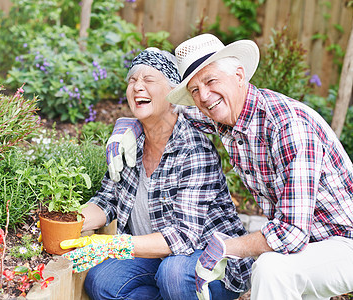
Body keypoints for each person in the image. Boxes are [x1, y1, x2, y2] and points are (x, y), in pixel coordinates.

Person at [105, 34, 353, 300]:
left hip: (341, 242)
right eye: (195, 90)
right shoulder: (226, 118)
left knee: (272, 270)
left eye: (211, 81)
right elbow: (170, 112)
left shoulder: (287, 127)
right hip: (308, 246)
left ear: (239, 75)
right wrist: (130, 123)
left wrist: (227, 246)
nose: (204, 96)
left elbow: (291, 233)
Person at [60, 47, 254, 300]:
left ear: (173, 93)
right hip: (156, 256)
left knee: (172, 274)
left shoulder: (192, 148)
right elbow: (107, 200)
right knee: (103, 281)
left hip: (206, 259)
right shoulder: (130, 143)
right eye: (132, 80)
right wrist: (66, 222)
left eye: (149, 80)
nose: (137, 87)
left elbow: (184, 237)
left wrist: (114, 245)